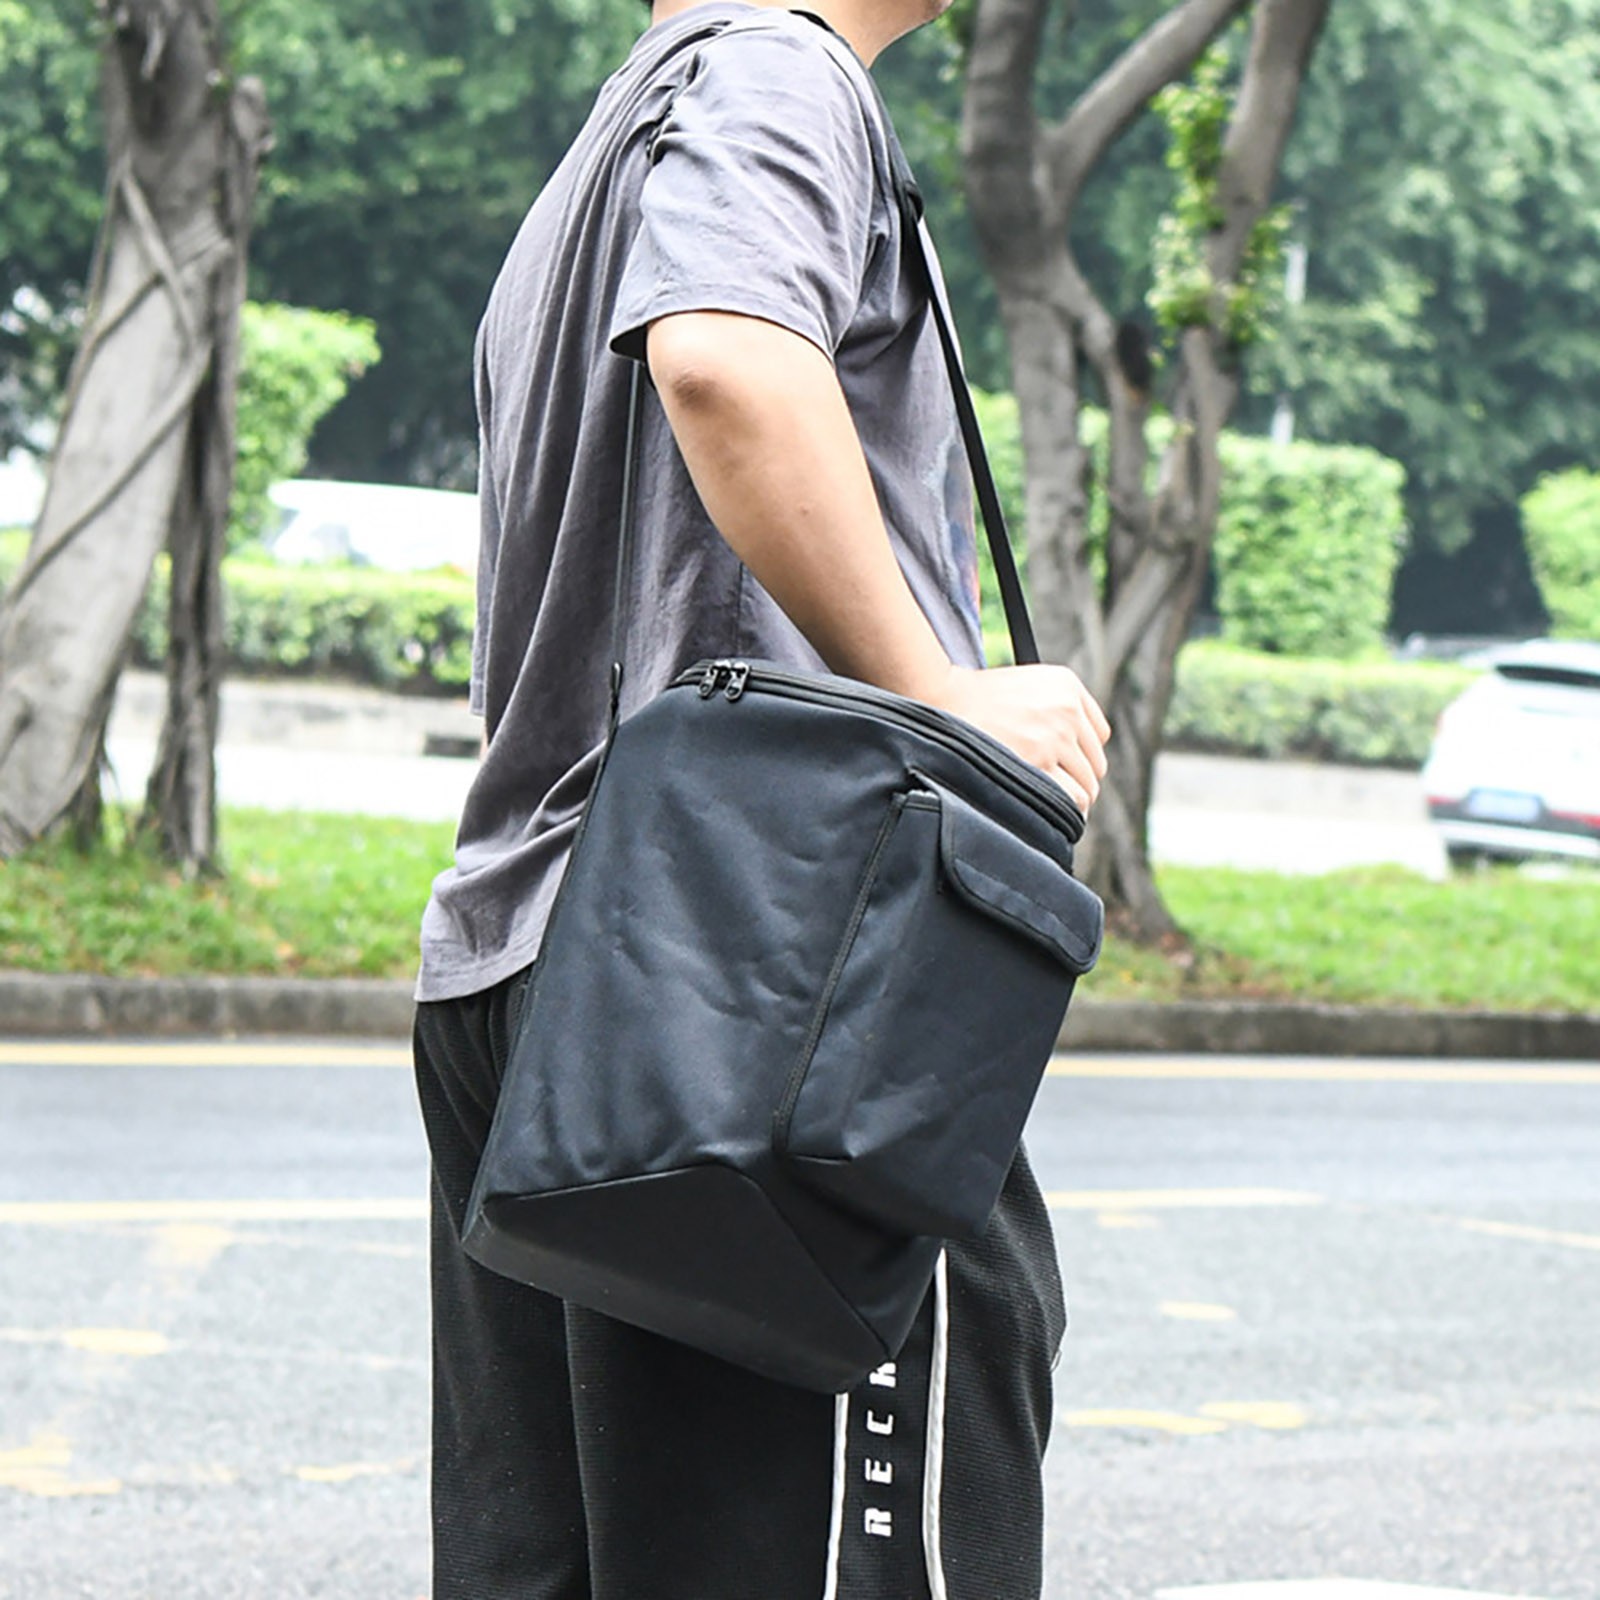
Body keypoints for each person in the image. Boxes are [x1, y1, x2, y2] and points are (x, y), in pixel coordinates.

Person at [412, 0, 1111, 1594]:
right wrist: (939, 694)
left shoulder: (609, 150)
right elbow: (725, 358)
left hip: (536, 960)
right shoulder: (782, 73)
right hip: (760, 981)